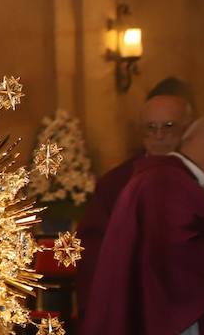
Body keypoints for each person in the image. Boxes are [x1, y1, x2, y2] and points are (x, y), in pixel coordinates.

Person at [64, 115, 204, 335]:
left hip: (161, 316)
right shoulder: (168, 182)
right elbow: (176, 253)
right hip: (168, 328)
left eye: (168, 125)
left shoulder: (167, 178)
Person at [75, 77, 195, 307]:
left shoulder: (199, 178)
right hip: (135, 298)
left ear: (187, 130)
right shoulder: (116, 183)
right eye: (151, 128)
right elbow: (91, 246)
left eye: (168, 127)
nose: (159, 135)